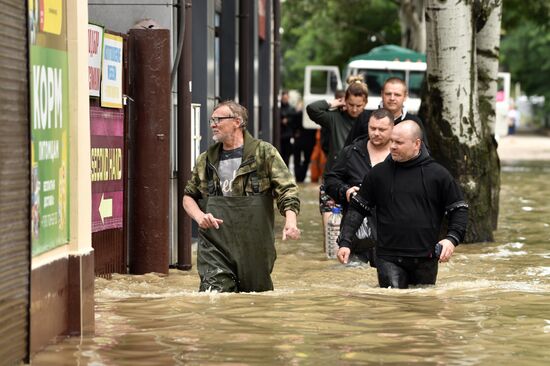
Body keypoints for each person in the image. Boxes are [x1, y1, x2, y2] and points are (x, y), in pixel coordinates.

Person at [183, 100, 301, 293]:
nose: (213, 124)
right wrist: (199, 217)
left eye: (218, 119)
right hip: (215, 244)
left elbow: (287, 189)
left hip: (254, 245)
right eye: (212, 120)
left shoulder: (264, 153)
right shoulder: (206, 159)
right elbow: (189, 196)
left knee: (255, 302)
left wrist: (291, 221)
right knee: (214, 297)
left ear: (237, 122)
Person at [337, 120, 468, 288]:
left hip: (425, 258)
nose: (392, 146)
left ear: (417, 144)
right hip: (387, 257)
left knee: (421, 307)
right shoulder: (378, 174)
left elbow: (459, 209)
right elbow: (357, 208)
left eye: (398, 142)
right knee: (392, 304)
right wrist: (345, 242)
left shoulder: (438, 174)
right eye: (391, 141)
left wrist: (451, 239)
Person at [306, 75, 369, 251]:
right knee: (331, 234)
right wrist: (333, 103)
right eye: (350, 104)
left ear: (365, 104)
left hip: (358, 181)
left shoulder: (371, 122)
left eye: (359, 106)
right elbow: (312, 109)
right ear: (344, 101)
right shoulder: (335, 118)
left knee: (359, 236)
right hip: (333, 179)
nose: (354, 109)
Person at [324, 108, 394, 264]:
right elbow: (330, 180)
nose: (376, 133)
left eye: (382, 129)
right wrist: (345, 191)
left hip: (390, 234)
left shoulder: (399, 154)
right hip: (356, 233)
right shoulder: (351, 152)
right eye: (372, 128)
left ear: (393, 129)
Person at [344, 77, 429, 149]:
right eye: (388, 94)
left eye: (397, 95)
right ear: (382, 94)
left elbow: (425, 153)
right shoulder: (365, 117)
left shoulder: (414, 122)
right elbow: (348, 149)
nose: (392, 98)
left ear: (405, 96)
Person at [279, 90, 296, 166]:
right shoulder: (278, 108)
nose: (285, 100)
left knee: (287, 155)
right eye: (283, 98)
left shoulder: (291, 109)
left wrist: (288, 120)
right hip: (280, 135)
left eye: (286, 98)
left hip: (288, 135)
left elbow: (294, 120)